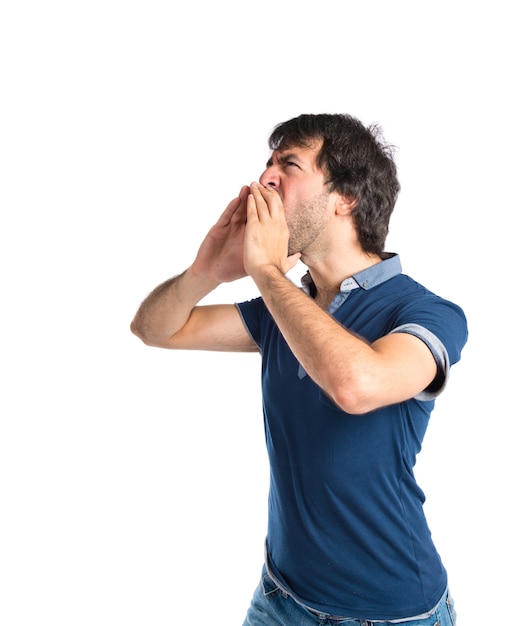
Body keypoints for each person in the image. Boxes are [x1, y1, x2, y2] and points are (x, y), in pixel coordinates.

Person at [130, 113, 467, 625]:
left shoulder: (426, 313)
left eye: (288, 164)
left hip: (390, 615)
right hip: (280, 596)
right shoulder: (281, 311)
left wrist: (265, 270)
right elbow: (155, 328)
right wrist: (206, 272)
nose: (264, 179)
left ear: (345, 197)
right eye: (267, 164)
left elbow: (357, 385)